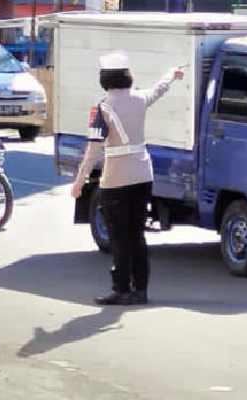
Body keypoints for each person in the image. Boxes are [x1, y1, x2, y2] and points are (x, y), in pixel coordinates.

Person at [72, 52, 183, 306]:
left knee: (119, 237)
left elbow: (93, 149)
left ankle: (121, 289)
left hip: (115, 179)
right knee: (137, 235)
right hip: (143, 175)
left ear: (104, 79)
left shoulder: (102, 108)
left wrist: (80, 181)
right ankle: (140, 290)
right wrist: (172, 74)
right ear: (127, 76)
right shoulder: (140, 98)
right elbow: (159, 89)